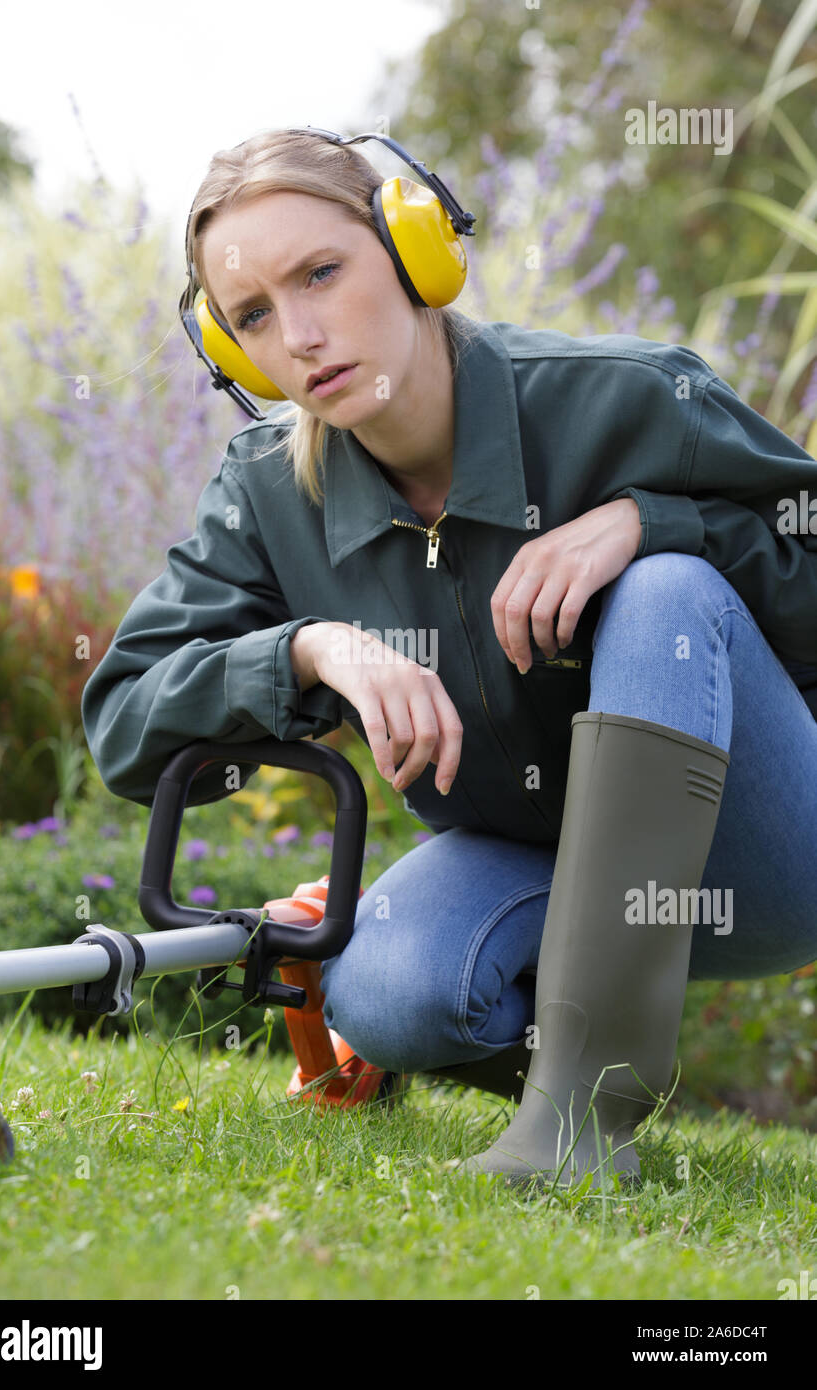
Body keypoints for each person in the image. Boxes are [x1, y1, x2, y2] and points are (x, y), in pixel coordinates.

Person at [81, 128, 817, 1190]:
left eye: (321, 272)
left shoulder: (623, 395)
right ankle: (581, 1041)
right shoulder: (263, 494)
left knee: (663, 588)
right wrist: (304, 650)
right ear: (230, 348)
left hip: (766, 855)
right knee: (387, 996)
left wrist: (656, 525)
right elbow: (122, 725)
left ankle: (577, 1127)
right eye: (251, 315)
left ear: (415, 250)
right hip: (541, 861)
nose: (299, 333)